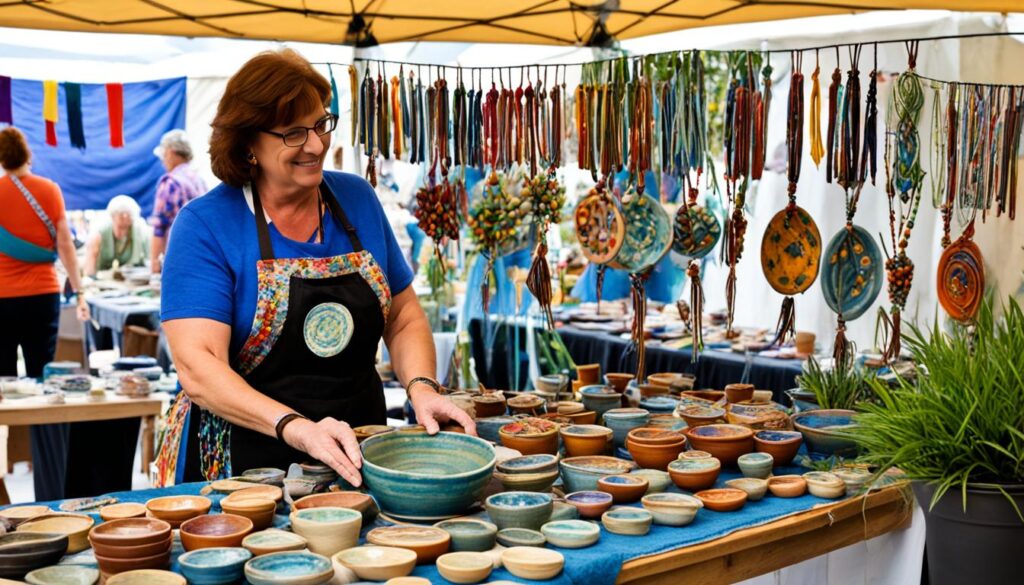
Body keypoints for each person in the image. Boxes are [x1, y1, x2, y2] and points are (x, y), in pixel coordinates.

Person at [161, 49, 474, 487]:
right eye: (293, 133)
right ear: (249, 144)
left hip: (359, 449)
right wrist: (298, 428)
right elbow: (199, 366)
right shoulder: (205, 225)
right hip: (247, 464)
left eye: (320, 123)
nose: (316, 144)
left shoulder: (357, 199)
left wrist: (421, 386)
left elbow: (403, 318)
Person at [0, 126, 89, 501]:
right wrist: (79, 289)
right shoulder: (49, 190)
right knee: (41, 376)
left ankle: (5, 465)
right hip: (42, 294)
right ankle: (42, 463)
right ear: (28, 154)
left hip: (2, 297)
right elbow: (65, 243)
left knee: (3, 383)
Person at [149, 129, 207, 273]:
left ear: (170, 152)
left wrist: (155, 268)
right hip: (203, 255)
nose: (163, 161)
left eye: (163, 154)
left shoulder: (170, 183)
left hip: (179, 258)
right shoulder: (199, 180)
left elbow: (159, 228)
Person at [84, 195, 150, 276]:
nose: (125, 217)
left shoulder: (141, 230)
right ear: (112, 216)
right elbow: (90, 263)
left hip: (136, 276)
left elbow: (149, 261)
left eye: (128, 215)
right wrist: (91, 279)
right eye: (121, 215)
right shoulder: (99, 231)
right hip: (103, 277)